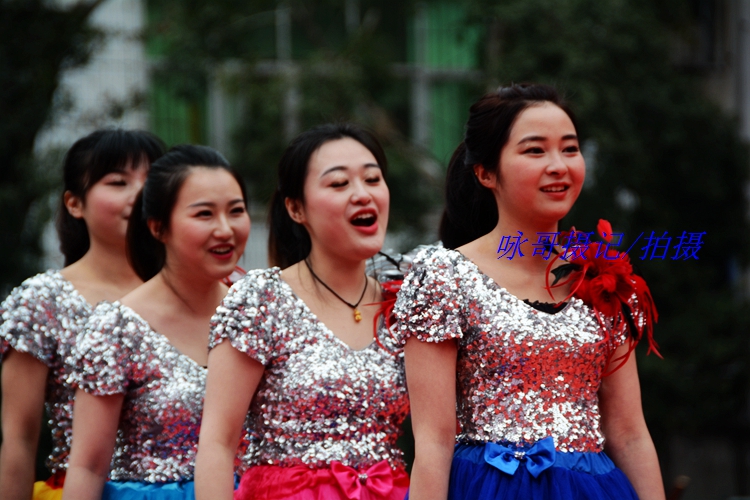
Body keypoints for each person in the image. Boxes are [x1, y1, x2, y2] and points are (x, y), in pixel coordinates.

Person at [395, 84, 665, 500]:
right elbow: (433, 441)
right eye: (535, 151)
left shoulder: (605, 278)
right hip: (487, 487)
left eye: (570, 149)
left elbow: (629, 434)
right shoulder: (445, 276)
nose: (559, 166)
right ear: (485, 173)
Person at [195, 123, 410, 500]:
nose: (362, 194)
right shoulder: (261, 299)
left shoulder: (405, 302)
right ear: (296, 208)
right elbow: (217, 444)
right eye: (339, 183)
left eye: (372, 179)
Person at [62, 145, 251, 500]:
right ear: (158, 227)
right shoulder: (116, 327)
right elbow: (87, 466)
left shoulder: (259, 312)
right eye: (204, 214)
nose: (225, 229)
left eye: (236, 211)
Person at [0, 129, 165, 500]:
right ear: (75, 204)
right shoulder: (41, 301)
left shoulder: (206, 292)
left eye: (153, 180)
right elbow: (20, 440)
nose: (140, 193)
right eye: (118, 182)